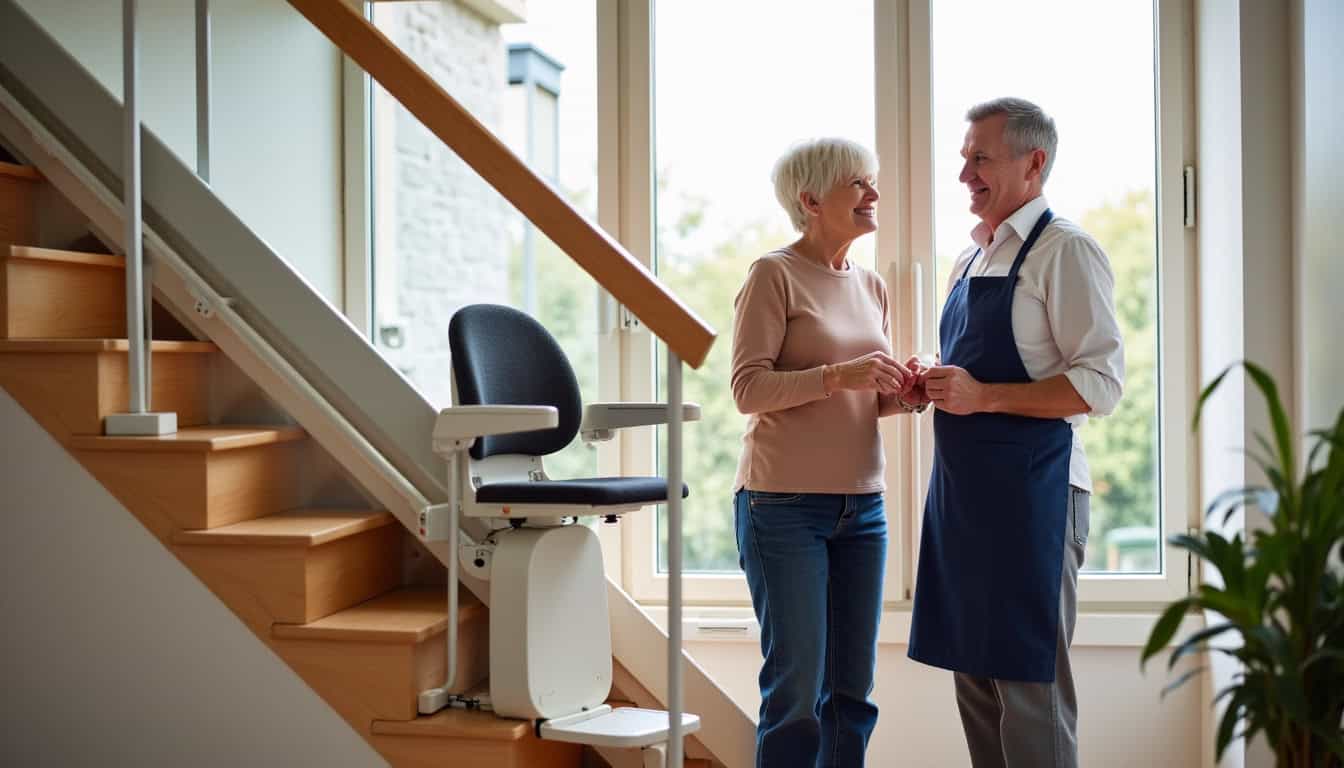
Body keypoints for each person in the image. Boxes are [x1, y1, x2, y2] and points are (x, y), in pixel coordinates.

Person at [905, 97, 1125, 768]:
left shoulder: (1066, 251)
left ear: (1034, 164)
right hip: (964, 497)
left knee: (1029, 686)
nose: (965, 174)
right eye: (964, 158)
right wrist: (933, 381)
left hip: (1037, 496)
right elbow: (970, 376)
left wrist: (983, 395)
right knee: (974, 677)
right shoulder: (969, 261)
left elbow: (1101, 385)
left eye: (981, 158)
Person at [731, 137, 926, 767]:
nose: (873, 195)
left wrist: (911, 393)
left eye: (871, 182)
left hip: (862, 508)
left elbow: (866, 400)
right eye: (857, 185)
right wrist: (839, 374)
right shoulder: (774, 274)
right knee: (795, 694)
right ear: (811, 200)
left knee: (851, 693)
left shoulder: (870, 284)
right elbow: (748, 388)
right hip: (783, 506)